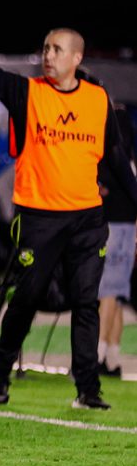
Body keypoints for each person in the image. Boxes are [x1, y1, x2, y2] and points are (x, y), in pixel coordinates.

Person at [0, 5, 137, 409]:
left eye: (56, 49)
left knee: (86, 301)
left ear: (77, 58)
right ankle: (1, 370)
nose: (47, 55)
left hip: (87, 219)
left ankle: (88, 390)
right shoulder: (28, 93)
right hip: (38, 218)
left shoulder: (98, 100)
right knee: (27, 299)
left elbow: (118, 159)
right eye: (45, 48)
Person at [97, 106, 137, 377]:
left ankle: (96, 357)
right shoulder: (130, 162)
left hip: (111, 230)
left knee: (107, 294)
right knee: (118, 297)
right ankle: (112, 357)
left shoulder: (108, 160)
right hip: (127, 231)